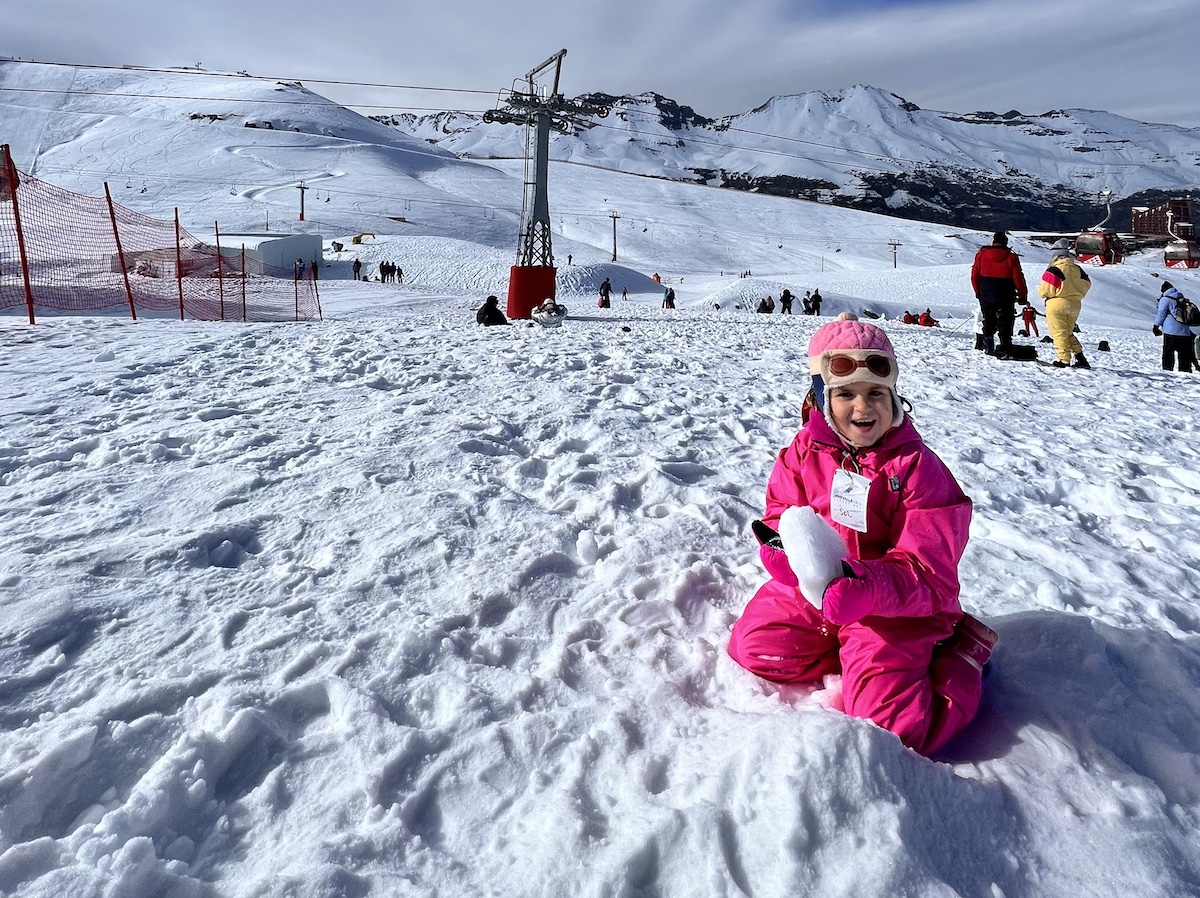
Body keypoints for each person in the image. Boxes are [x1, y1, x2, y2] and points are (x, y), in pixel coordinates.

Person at [727, 319, 994, 756]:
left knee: (894, 731)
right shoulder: (803, 452)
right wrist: (781, 548)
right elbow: (781, 512)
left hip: (898, 608)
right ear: (820, 399)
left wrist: (867, 590)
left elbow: (930, 572)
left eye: (875, 393)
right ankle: (851, 651)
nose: (862, 408)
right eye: (845, 394)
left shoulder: (917, 469)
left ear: (894, 397)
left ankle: (961, 658)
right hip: (819, 597)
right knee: (755, 648)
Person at [970, 231, 1027, 358]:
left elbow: (974, 276)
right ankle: (1005, 345)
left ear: (993, 242)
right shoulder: (1011, 257)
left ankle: (988, 343)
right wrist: (1023, 296)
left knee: (988, 319)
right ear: (1005, 242)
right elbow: (1018, 278)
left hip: (986, 292)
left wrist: (978, 292)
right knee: (1006, 320)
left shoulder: (981, 255)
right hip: (1005, 293)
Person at [1036, 238, 1091, 368]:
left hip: (1056, 304)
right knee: (1067, 332)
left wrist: (1042, 292)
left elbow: (1045, 290)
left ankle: (1064, 360)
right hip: (1075, 304)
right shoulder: (1078, 269)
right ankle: (1080, 357)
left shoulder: (1054, 270)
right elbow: (1087, 283)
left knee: (1059, 333)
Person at [1153, 282, 1197, 372]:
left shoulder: (1165, 299)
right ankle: (1185, 373)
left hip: (1170, 331)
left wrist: (1156, 326)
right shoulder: (1182, 299)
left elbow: (1161, 313)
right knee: (1184, 355)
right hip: (1185, 331)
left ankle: (1167, 372)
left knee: (1168, 353)